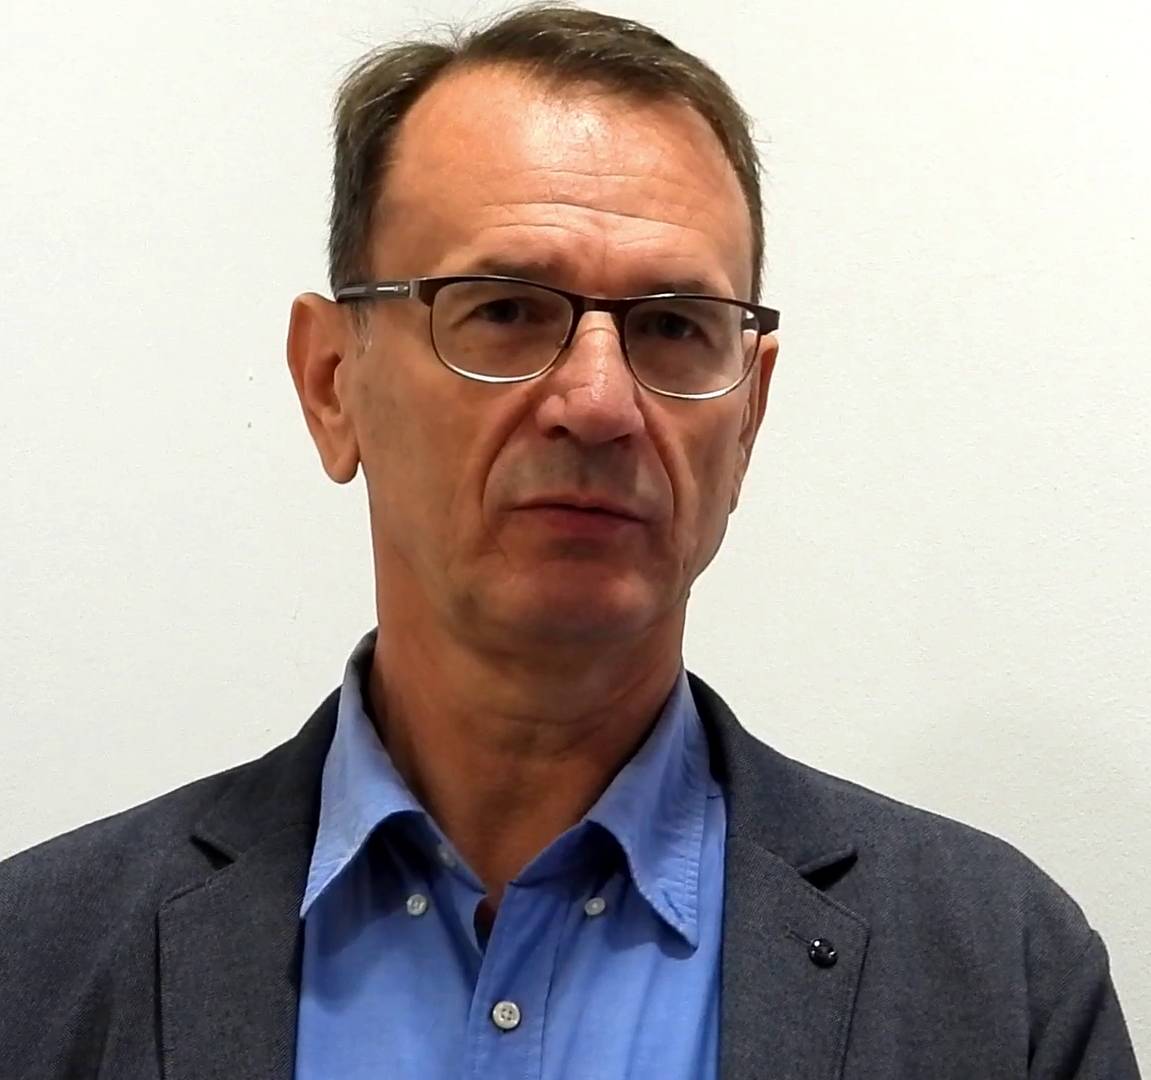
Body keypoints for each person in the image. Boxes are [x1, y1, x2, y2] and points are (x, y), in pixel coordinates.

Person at [0, 5, 1140, 1078]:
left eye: (675, 326)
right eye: (503, 309)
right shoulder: (33, 966)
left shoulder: (1001, 981)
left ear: (747, 415)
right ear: (331, 382)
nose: (597, 403)